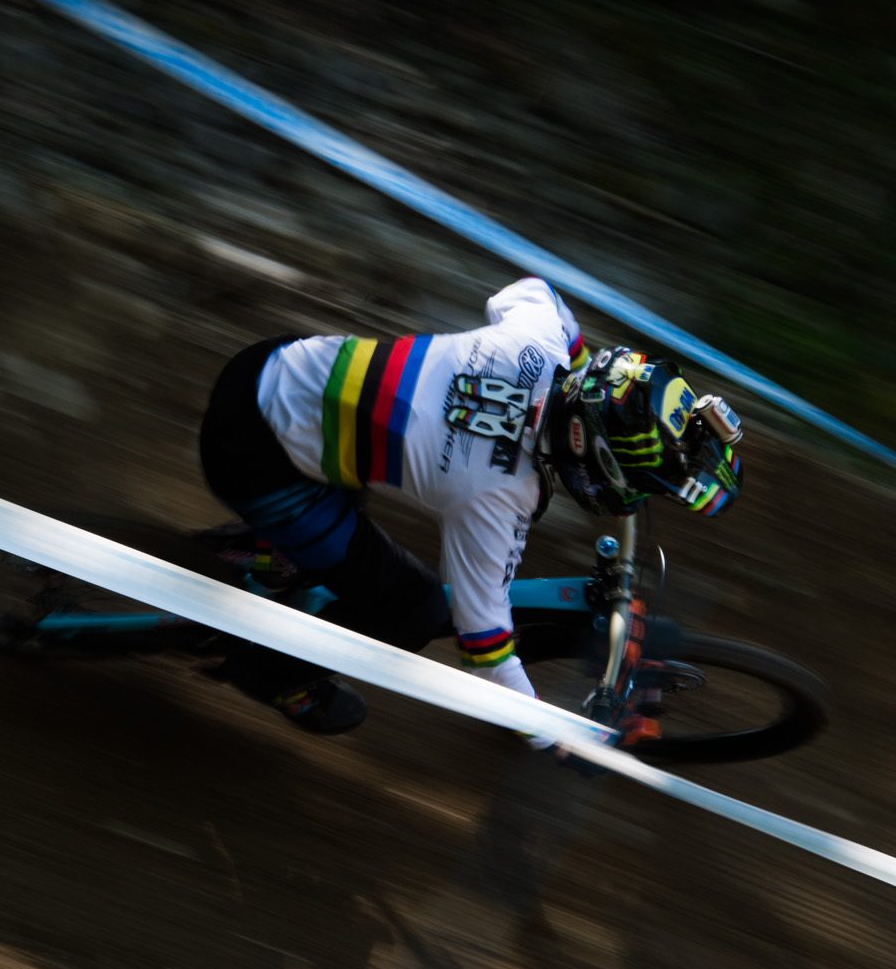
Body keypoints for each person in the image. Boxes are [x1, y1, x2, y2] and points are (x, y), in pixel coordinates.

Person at [197, 276, 743, 734]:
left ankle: (276, 551)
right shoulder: (495, 498)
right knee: (412, 609)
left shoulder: (536, 342)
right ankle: (268, 673)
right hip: (254, 461)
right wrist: (549, 733)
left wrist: (577, 361)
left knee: (357, 459)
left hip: (273, 366)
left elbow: (534, 291)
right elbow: (485, 648)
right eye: (638, 484)